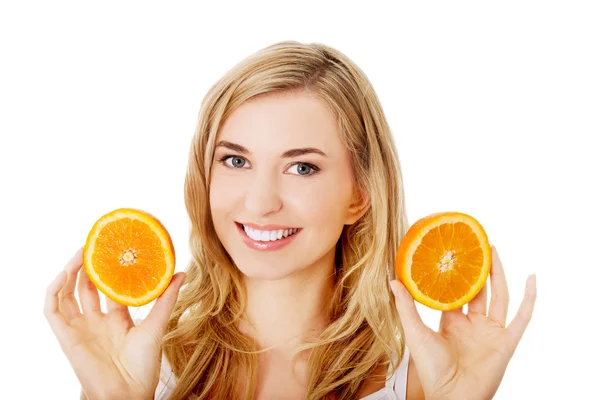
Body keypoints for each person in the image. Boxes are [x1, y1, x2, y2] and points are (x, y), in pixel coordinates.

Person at [44, 41, 537, 400]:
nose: (259, 204)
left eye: (302, 167)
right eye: (235, 160)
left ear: (360, 196)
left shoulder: (420, 382)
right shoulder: (142, 371)